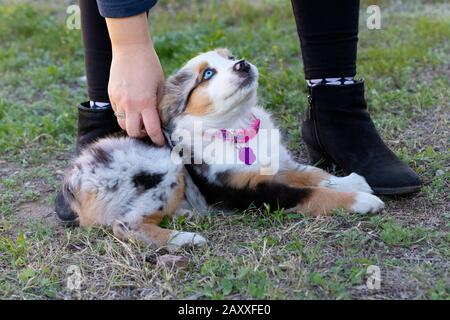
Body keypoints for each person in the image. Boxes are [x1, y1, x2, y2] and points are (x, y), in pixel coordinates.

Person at [55, 0, 421, 222]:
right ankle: (108, 115)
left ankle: (336, 105)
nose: (237, 66)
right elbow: (267, 192)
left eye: (231, 61)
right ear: (175, 109)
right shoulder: (194, 146)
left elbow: (284, 171)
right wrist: (129, 43)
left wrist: (328, 180)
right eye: (209, 74)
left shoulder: (255, 128)